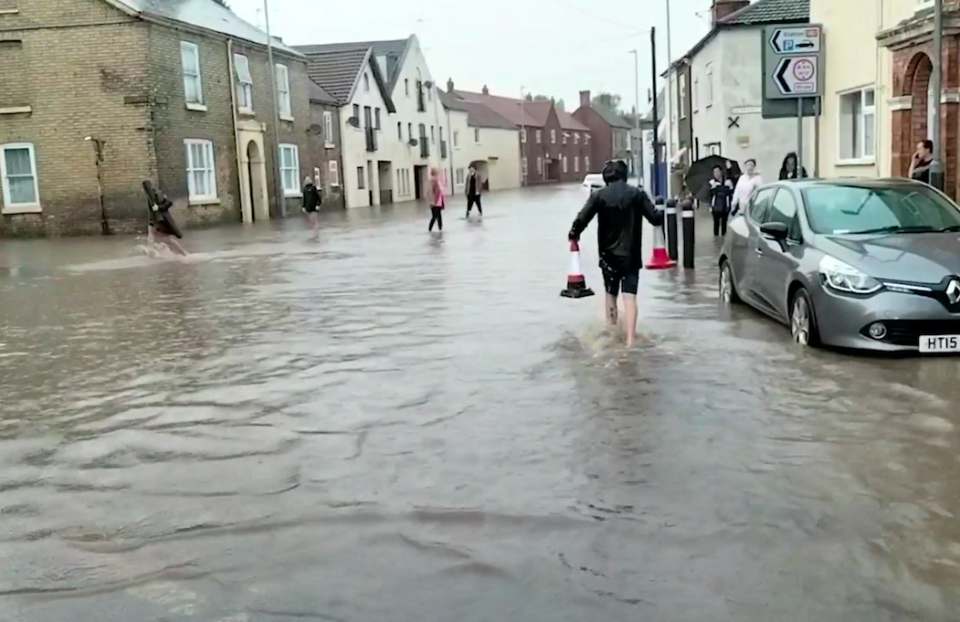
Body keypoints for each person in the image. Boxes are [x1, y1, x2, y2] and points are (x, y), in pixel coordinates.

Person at [568, 160, 663, 348]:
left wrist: (573, 235)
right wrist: (663, 209)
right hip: (631, 255)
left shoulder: (598, 196)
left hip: (608, 255)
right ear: (625, 175)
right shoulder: (637, 194)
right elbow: (655, 218)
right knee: (630, 297)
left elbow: (582, 218)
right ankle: (630, 341)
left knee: (610, 294)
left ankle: (611, 335)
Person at [709, 166, 734, 237]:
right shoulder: (712, 182)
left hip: (726, 205)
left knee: (724, 223)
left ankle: (723, 238)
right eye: (714, 172)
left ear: (721, 172)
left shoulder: (728, 182)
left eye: (718, 171)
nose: (716, 173)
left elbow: (731, 193)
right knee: (716, 224)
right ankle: (716, 239)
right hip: (715, 206)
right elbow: (709, 195)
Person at [428, 168, 444, 232]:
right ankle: (430, 229)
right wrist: (432, 201)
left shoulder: (435, 181)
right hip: (435, 201)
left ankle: (440, 228)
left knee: (438, 215)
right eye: (437, 173)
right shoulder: (433, 181)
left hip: (438, 201)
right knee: (435, 216)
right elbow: (432, 191)